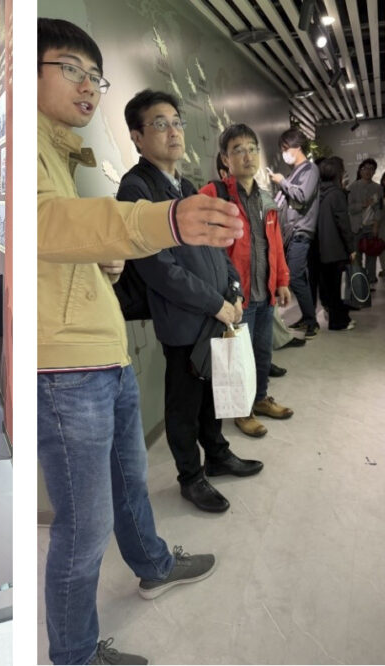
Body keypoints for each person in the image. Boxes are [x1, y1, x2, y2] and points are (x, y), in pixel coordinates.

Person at [37, 18, 245, 665]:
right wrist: (166, 222)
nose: (87, 85)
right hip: (66, 365)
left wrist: (102, 263)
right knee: (84, 527)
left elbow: (61, 241)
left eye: (94, 76)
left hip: (105, 353)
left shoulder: (62, 154)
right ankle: (74, 654)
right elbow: (47, 221)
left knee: (130, 482)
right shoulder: (34, 152)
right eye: (70, 69)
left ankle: (153, 564)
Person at [117, 90, 263, 515]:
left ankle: (217, 454)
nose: (173, 131)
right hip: (183, 319)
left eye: (176, 122)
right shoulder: (136, 188)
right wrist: (216, 303)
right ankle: (190, 477)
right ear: (137, 137)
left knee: (212, 394)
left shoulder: (185, 185)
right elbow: (158, 268)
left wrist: (233, 290)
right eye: (160, 124)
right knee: (183, 403)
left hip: (215, 311)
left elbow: (216, 246)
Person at [202, 123, 293, 439]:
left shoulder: (266, 198)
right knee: (239, 358)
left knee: (263, 352)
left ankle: (260, 398)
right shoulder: (214, 194)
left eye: (252, 149)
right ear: (225, 159)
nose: (247, 156)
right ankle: (242, 410)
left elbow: (275, 244)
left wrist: (281, 280)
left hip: (264, 292)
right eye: (238, 150)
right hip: (236, 297)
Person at [271, 128, 320, 338]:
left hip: (301, 231)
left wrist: (282, 181)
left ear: (297, 147)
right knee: (298, 275)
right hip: (290, 232)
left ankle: (311, 322)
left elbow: (302, 196)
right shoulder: (295, 172)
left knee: (294, 275)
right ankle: (308, 317)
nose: (284, 153)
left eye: (285, 148)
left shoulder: (310, 169)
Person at [316, 157, 357, 331]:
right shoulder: (337, 194)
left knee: (329, 288)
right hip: (336, 249)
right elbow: (343, 224)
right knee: (337, 288)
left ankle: (337, 319)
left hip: (321, 249)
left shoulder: (318, 193)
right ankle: (338, 322)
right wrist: (351, 248)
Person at [347, 158, 382, 283]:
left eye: (371, 169)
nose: (368, 171)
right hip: (356, 227)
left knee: (371, 255)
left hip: (371, 226)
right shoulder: (352, 187)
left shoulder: (378, 188)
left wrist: (376, 225)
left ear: (374, 172)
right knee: (356, 257)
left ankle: (370, 280)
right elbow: (349, 208)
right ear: (360, 171)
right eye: (365, 168)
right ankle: (358, 281)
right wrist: (362, 205)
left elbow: (379, 208)